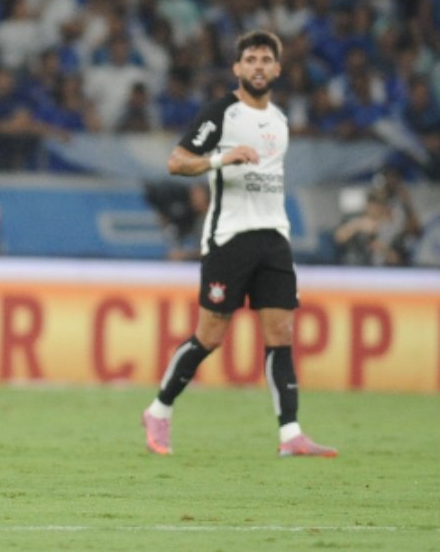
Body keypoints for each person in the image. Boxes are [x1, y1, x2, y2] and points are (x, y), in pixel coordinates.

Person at [142, 31, 337, 458]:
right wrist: (218, 159)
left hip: (274, 237)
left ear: (278, 69)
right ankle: (158, 410)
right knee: (210, 335)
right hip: (229, 239)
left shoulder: (281, 122)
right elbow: (176, 162)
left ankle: (291, 434)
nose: (258, 67)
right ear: (237, 68)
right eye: (250, 59)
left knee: (281, 332)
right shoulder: (222, 113)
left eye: (266, 60)